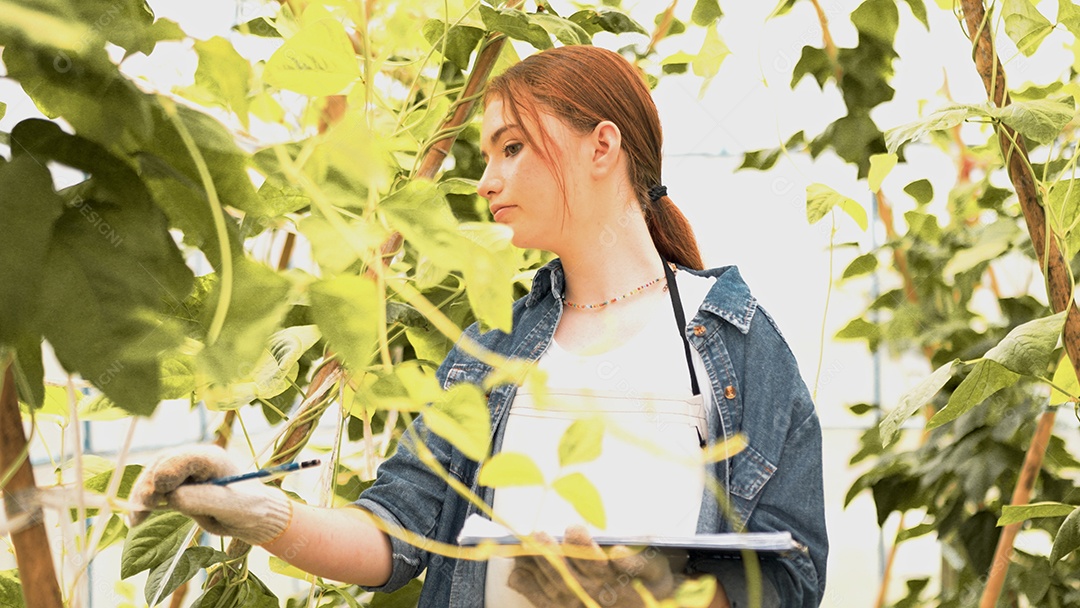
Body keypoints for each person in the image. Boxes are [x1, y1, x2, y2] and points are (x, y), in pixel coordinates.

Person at [130, 45, 828, 607]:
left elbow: (794, 577)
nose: (487, 179)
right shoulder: (493, 347)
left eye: (512, 147)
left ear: (602, 145)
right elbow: (397, 534)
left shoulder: (733, 343)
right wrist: (258, 510)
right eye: (485, 155)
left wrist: (665, 596)